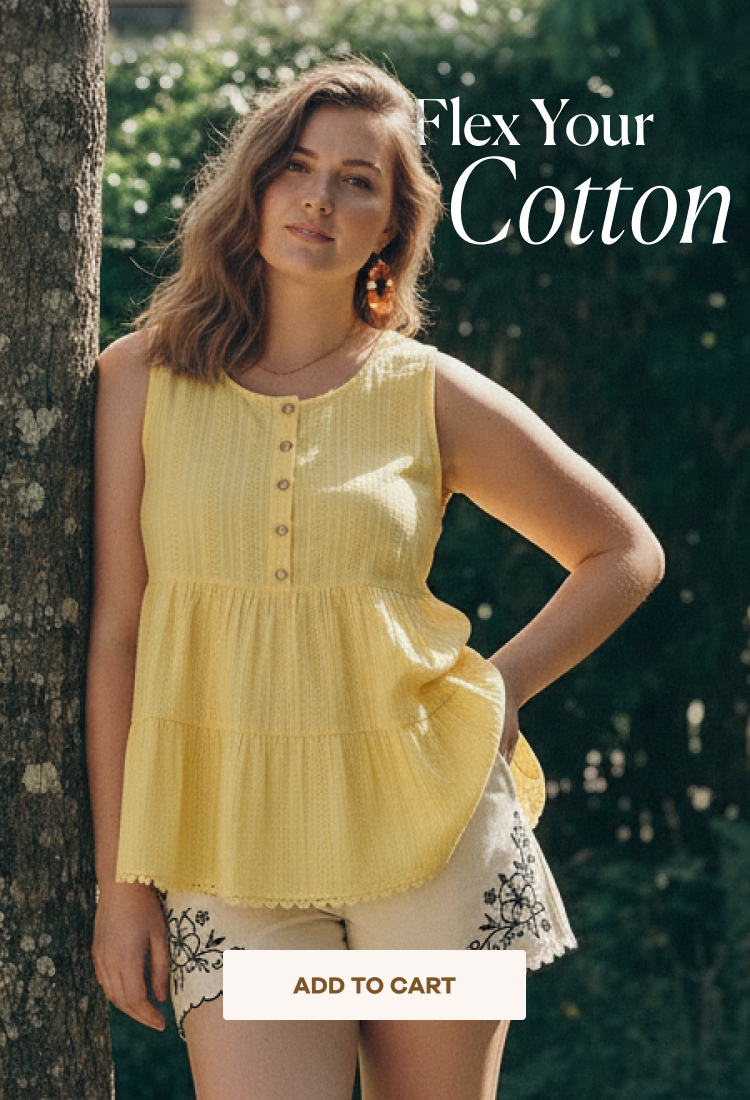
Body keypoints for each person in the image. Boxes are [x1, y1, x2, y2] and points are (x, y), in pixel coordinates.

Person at [87, 56, 665, 1100]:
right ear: (253, 184)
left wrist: (503, 686)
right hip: (226, 842)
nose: (319, 196)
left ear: (393, 227)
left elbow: (623, 551)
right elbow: (120, 633)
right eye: (296, 166)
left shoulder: (425, 390)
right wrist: (119, 880)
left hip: (427, 844)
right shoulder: (140, 376)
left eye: (359, 180)